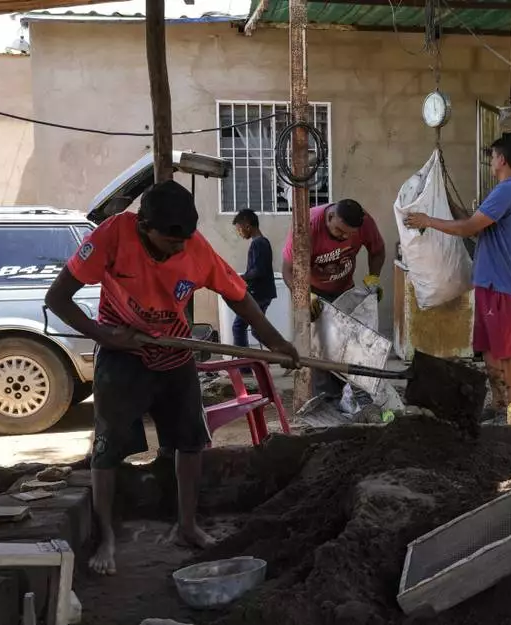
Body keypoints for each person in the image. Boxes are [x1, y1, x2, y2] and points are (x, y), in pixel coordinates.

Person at [46, 181, 298, 576]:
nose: (179, 248)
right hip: (121, 353)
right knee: (108, 448)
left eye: (185, 240)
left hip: (176, 352)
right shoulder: (112, 235)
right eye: (170, 241)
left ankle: (187, 525)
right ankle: (107, 535)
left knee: (190, 442)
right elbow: (57, 298)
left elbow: (240, 298)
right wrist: (104, 335)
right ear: (144, 226)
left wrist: (279, 342)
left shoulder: (194, 247)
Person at [405, 136, 511, 419]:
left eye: (493, 157)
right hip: (490, 282)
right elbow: (477, 226)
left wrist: (428, 221)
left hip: (501, 283)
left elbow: (467, 228)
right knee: (488, 347)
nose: (490, 162)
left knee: (507, 349)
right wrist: (445, 199)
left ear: (502, 160)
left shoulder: (508, 190)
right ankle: (500, 403)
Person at [281, 198, 385, 400]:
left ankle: (350, 395)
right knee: (322, 348)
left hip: (345, 289)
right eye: (340, 231)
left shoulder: (365, 222)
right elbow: (287, 270)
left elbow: (377, 250)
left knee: (350, 344)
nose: (345, 237)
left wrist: (374, 277)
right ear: (329, 217)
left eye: (350, 234)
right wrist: (304, 295)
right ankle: (326, 399)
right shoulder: (307, 226)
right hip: (314, 293)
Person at [231, 209, 276, 349]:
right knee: (257, 331)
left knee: (238, 327)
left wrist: (240, 277)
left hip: (258, 294)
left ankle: (244, 367)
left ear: (247, 226)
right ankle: (279, 353)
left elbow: (258, 271)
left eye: (239, 229)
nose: (239, 233)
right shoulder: (262, 242)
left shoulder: (258, 243)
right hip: (263, 293)